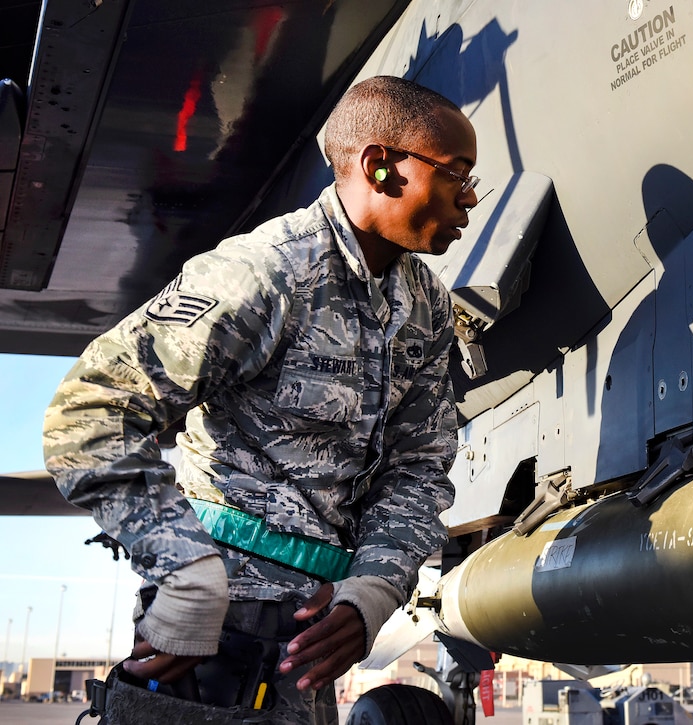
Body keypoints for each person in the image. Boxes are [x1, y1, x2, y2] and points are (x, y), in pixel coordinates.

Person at [43, 75, 478, 723]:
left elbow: (418, 469)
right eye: (456, 173)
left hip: (313, 641)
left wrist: (374, 589)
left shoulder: (425, 308)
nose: (469, 198)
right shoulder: (266, 273)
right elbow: (89, 412)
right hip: (207, 639)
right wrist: (186, 573)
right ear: (380, 167)